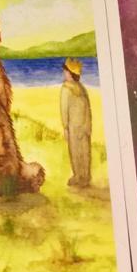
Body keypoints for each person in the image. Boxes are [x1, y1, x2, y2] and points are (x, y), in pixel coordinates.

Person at [59, 57, 92, 188]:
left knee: (76, 151)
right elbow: (87, 108)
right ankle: (84, 177)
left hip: (74, 125)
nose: (64, 73)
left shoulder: (66, 88)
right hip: (84, 124)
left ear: (70, 73)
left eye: (65, 71)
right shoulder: (81, 88)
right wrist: (88, 125)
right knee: (84, 150)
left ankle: (79, 176)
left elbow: (64, 110)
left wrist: (65, 127)